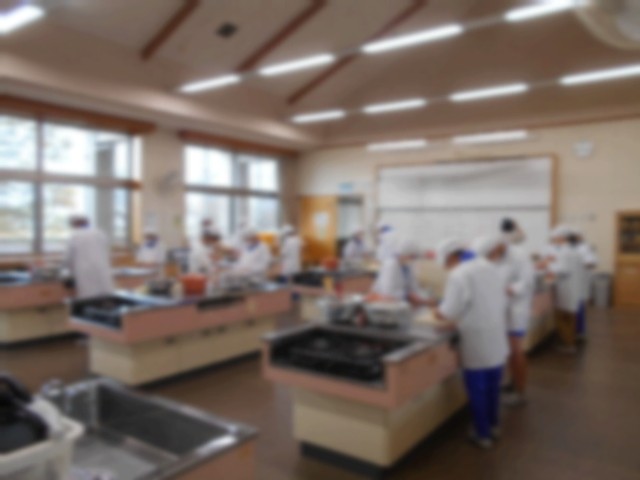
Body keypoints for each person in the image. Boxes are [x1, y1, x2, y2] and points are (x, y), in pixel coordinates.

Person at [431, 237, 509, 449]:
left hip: (476, 338)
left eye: (445, 263)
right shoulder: (491, 266)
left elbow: (449, 311)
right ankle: (493, 426)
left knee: (477, 389)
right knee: (493, 386)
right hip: (496, 334)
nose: (446, 268)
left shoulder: (460, 273)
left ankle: (482, 434)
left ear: (451, 257)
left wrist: (438, 312)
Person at [498, 219, 536, 406]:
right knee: (508, 351)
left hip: (516, 310)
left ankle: (520, 392)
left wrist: (510, 289)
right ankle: (511, 383)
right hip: (504, 308)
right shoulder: (498, 255)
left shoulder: (519, 254)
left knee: (516, 351)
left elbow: (527, 282)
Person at [545, 227, 585, 353]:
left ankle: (568, 344)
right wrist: (553, 262)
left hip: (566, 289)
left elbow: (562, 270)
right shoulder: (574, 251)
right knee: (571, 317)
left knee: (562, 317)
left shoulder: (564, 251)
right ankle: (572, 340)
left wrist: (548, 266)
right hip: (573, 288)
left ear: (561, 238)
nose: (554, 241)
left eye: (555, 239)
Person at [65, 215, 114, 299]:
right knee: (105, 295)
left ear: (75, 224)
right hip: (102, 268)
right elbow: (107, 252)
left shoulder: (75, 236)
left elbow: (68, 258)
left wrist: (67, 269)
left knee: (88, 296)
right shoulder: (100, 233)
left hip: (85, 271)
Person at [370, 239, 430, 306]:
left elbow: (414, 287)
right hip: (383, 302)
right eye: (411, 256)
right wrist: (407, 295)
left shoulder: (407, 267)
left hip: (399, 302)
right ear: (403, 254)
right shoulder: (390, 265)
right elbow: (388, 292)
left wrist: (423, 297)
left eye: (414, 257)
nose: (412, 259)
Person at [571, 227, 598, 340]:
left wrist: (579, 265)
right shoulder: (570, 247)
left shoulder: (585, 248)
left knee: (578, 305)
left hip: (580, 280)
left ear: (580, 237)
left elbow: (591, 263)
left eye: (576, 236)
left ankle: (580, 331)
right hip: (571, 281)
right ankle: (574, 330)